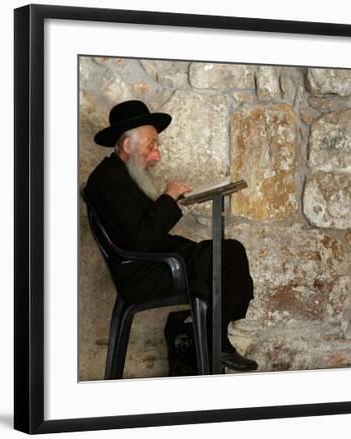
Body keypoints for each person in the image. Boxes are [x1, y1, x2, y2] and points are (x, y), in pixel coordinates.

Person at [84, 99, 258, 372]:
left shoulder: (119, 175)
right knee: (229, 254)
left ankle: (208, 335)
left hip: (157, 263)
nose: (157, 156)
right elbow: (139, 239)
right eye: (151, 145)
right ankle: (215, 342)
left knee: (227, 256)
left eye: (157, 146)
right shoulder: (107, 181)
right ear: (128, 146)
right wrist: (168, 197)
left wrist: (171, 200)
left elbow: (141, 230)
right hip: (146, 272)